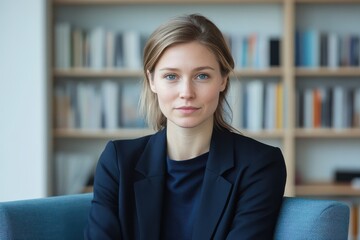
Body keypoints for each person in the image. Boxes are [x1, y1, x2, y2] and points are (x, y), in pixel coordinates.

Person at [84, 13, 286, 240]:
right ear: (152, 81)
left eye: (201, 76)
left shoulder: (259, 165)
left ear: (223, 80)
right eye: (171, 76)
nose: (186, 93)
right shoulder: (118, 162)